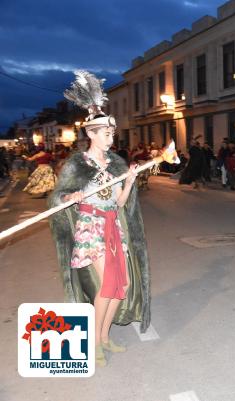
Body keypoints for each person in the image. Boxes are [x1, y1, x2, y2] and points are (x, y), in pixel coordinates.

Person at [51, 70, 151, 367]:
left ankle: (105, 337)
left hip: (113, 225)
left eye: (112, 133)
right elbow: (57, 196)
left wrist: (130, 182)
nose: (111, 136)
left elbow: (119, 202)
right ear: (91, 134)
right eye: (106, 132)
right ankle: (94, 343)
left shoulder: (117, 163)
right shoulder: (77, 164)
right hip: (91, 227)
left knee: (122, 285)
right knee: (108, 283)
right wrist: (71, 197)